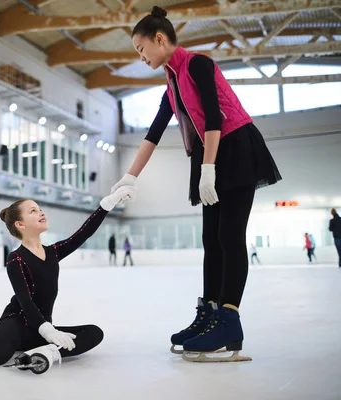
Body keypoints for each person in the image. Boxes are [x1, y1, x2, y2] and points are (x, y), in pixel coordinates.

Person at [111, 5, 281, 362]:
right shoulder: (171, 86)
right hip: (210, 155)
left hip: (234, 148)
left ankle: (229, 320)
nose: (140, 57)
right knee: (210, 241)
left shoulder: (198, 64)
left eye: (141, 49)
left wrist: (208, 169)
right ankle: (210, 314)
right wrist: (129, 177)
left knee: (229, 236)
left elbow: (215, 117)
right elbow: (152, 135)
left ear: (160, 39)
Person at [0, 186, 136, 370]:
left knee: (93, 333)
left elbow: (83, 233)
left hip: (42, 328)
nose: (41, 212)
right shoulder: (15, 259)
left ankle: (47, 352)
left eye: (40, 209)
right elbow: (25, 302)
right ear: (20, 224)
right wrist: (48, 331)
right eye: (34, 211)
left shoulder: (53, 252)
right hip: (16, 323)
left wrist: (107, 204)